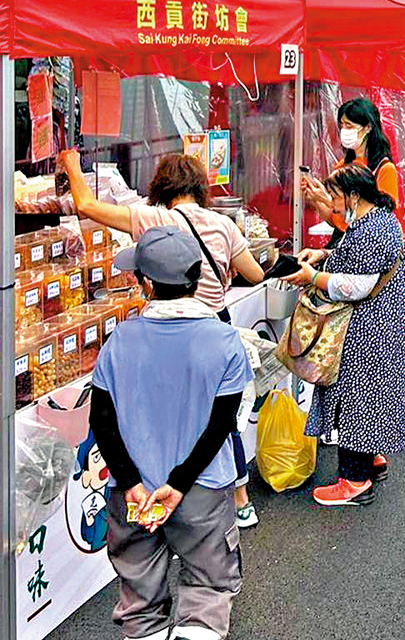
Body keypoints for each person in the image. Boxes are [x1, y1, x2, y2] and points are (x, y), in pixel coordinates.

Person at [88, 226, 252, 640]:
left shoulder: (119, 342)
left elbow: (103, 424)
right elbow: (221, 425)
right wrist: (177, 487)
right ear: (194, 279)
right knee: (209, 587)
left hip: (130, 496)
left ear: (144, 283)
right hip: (200, 493)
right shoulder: (224, 342)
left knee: (139, 595)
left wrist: (135, 485)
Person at [61, 149, 264, 531]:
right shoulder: (223, 224)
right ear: (199, 188)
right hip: (213, 328)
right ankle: (239, 500)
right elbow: (254, 274)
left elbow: (85, 205)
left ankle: (158, 499)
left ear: (161, 187)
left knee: (167, 414)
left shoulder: (153, 217)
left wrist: (72, 163)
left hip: (164, 327)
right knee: (219, 420)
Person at [301, 98, 405, 446]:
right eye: (341, 124)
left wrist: (328, 213)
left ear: (367, 127)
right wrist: (321, 204)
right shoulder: (343, 164)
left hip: (370, 260)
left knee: (380, 348)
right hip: (345, 249)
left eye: (350, 125)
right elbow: (343, 221)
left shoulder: (383, 168)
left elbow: (371, 223)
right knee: (356, 350)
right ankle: (350, 426)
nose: (344, 131)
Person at [288, 165, 405, 507]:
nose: (333, 204)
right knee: (369, 398)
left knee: (356, 399)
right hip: (378, 327)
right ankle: (370, 462)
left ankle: (354, 481)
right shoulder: (378, 221)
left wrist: (313, 277)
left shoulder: (372, 230)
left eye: (336, 197)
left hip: (366, 330)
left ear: (354, 196)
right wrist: (325, 255)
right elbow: (355, 261)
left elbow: (358, 285)